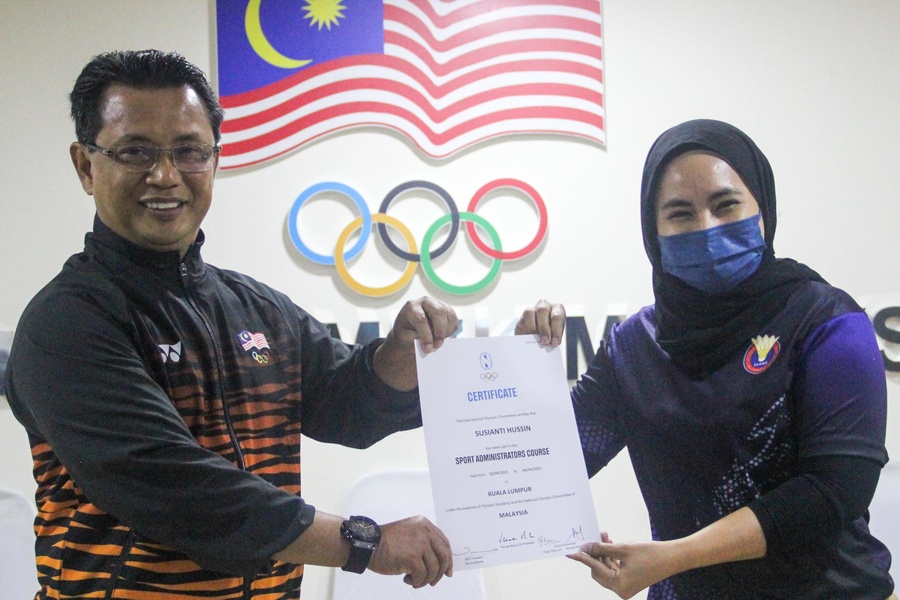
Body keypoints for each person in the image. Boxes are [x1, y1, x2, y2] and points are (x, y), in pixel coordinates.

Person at [4, 49, 457, 599]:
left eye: (189, 151)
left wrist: (401, 352)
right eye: (136, 151)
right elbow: (177, 488)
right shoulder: (65, 323)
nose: (165, 175)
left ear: (214, 160)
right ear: (86, 165)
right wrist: (364, 542)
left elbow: (348, 406)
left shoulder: (256, 308)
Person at [518, 119, 894, 599]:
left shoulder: (827, 322)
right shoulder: (633, 347)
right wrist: (523, 368)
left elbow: (835, 492)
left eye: (726, 205)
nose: (707, 229)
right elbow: (549, 465)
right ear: (652, 232)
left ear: (763, 207)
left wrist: (674, 556)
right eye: (680, 214)